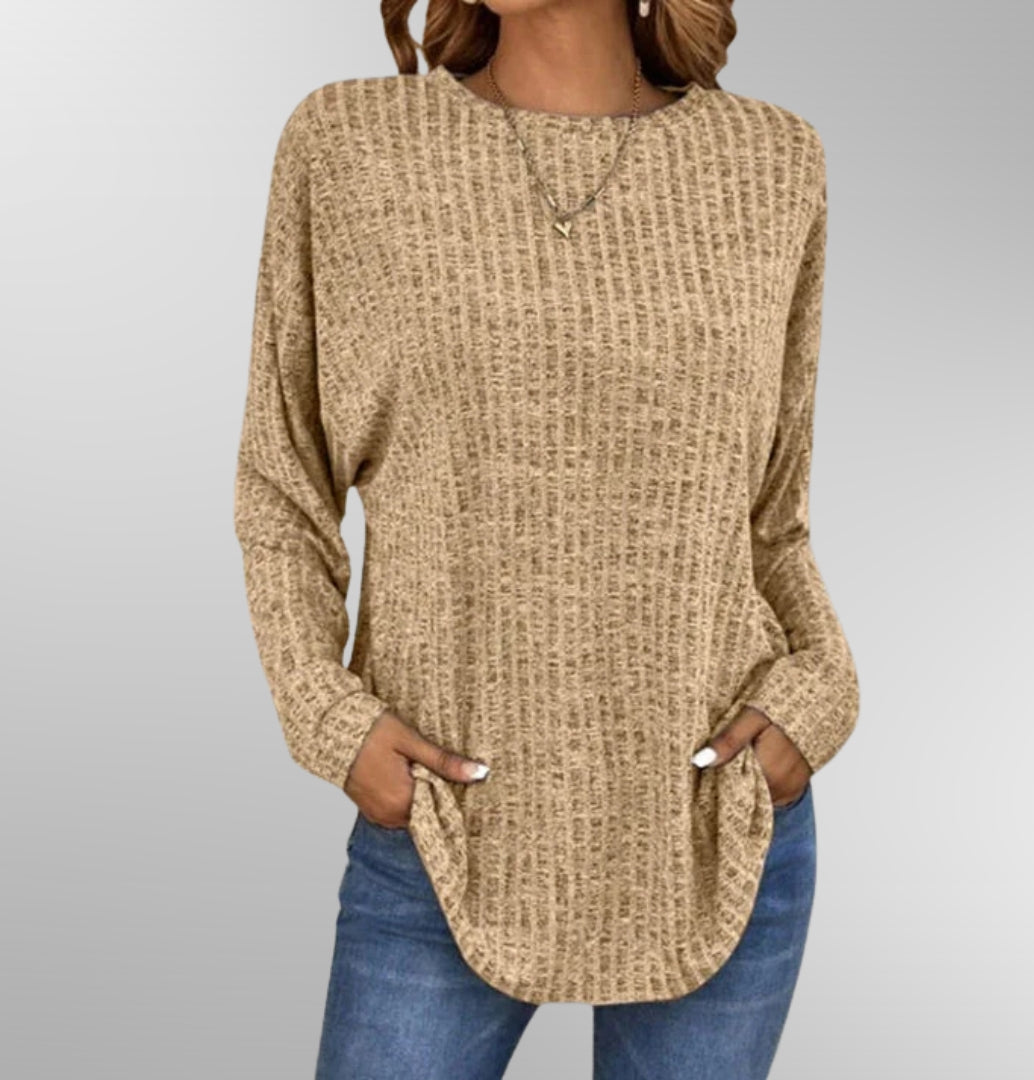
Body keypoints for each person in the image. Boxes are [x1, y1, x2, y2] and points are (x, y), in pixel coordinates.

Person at [232, 1, 860, 1076]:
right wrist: (328, 717)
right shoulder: (349, 145)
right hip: (443, 834)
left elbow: (772, 518)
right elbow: (282, 483)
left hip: (716, 826)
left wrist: (823, 693)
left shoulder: (772, 162)